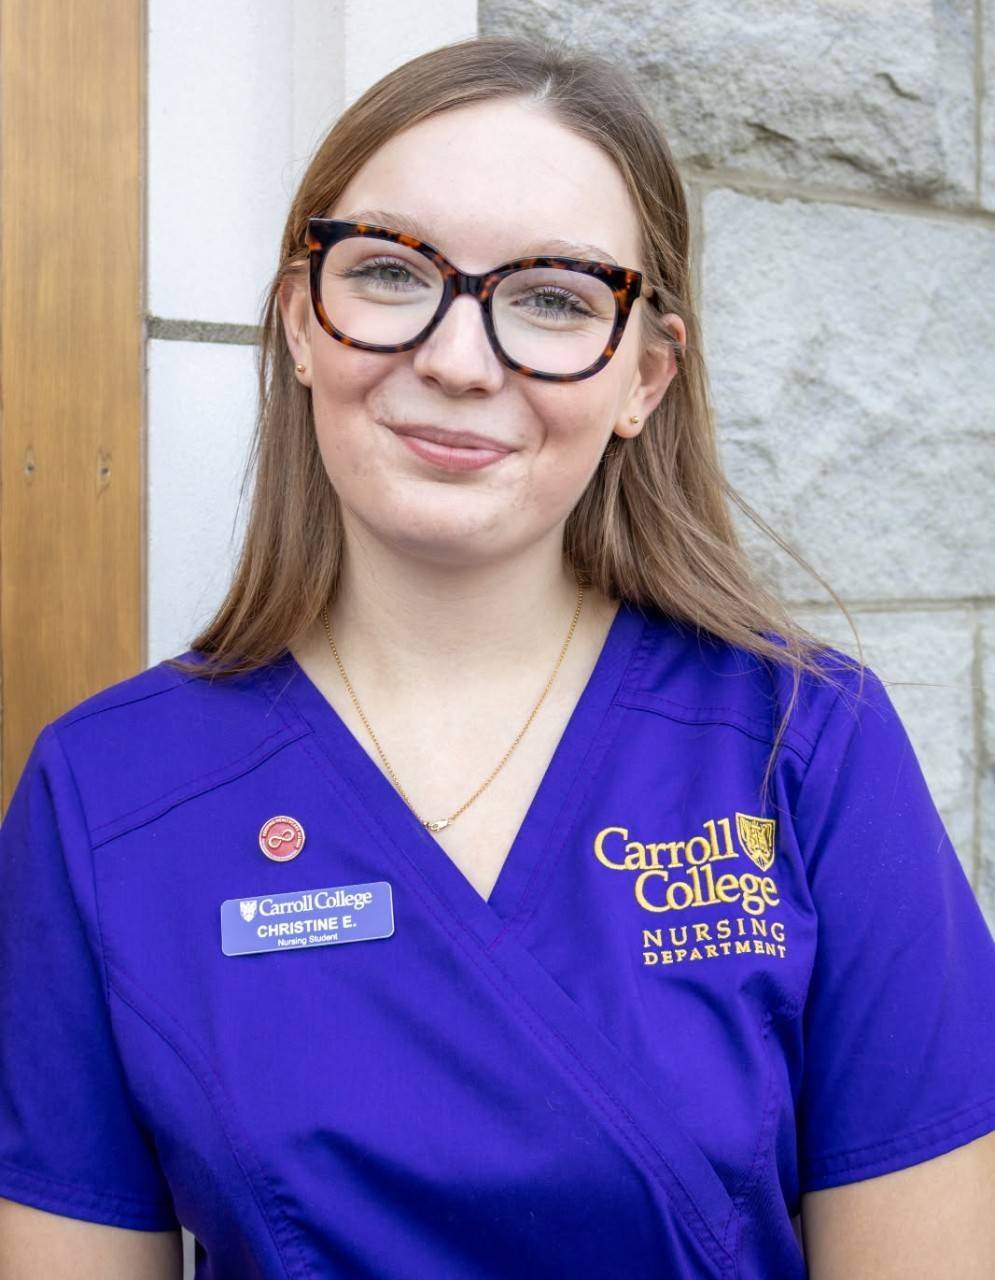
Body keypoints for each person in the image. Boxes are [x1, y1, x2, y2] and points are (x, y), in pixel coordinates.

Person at [1, 33, 994, 1280]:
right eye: (388, 271)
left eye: (553, 298)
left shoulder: (805, 746)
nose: (458, 361)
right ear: (300, 322)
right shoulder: (106, 793)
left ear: (643, 377)